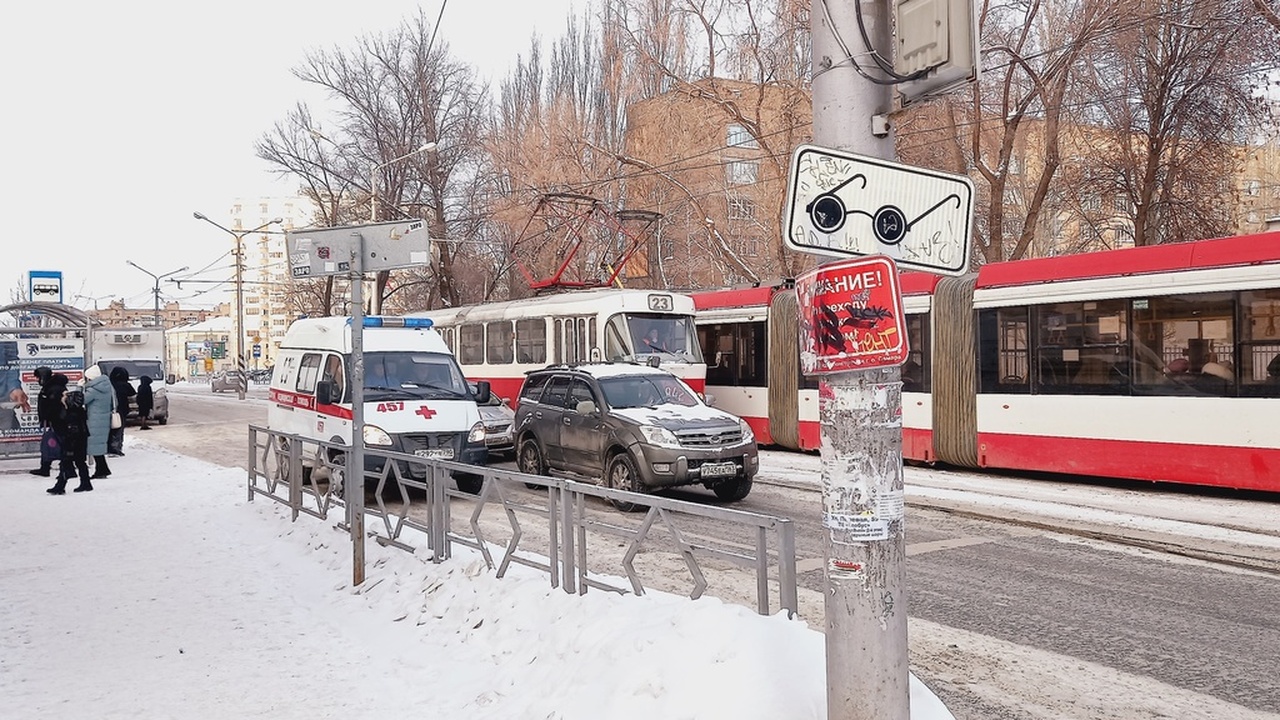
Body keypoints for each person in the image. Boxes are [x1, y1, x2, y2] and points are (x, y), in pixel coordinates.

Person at [48, 389, 92, 494]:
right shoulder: (80, 412)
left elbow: (72, 431)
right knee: (80, 462)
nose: (62, 399)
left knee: (65, 462)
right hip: (81, 439)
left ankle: (60, 486)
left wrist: (69, 446)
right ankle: (86, 483)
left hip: (73, 441)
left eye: (65, 397)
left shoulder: (71, 415)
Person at [29, 367, 69, 478]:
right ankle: (46, 467)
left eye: (37, 377)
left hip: (56, 420)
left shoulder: (53, 388)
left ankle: (61, 468)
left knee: (58, 443)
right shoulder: (50, 387)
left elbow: (54, 405)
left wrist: (48, 416)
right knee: (50, 443)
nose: (36, 380)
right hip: (54, 420)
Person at [82, 365, 114, 479]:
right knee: (98, 445)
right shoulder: (108, 386)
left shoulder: (93, 390)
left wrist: (79, 387)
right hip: (104, 418)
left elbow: (82, 399)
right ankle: (102, 469)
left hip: (94, 420)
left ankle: (101, 470)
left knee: (94, 445)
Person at [108, 366, 134, 454]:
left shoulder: (110, 384)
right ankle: (117, 447)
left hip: (110, 409)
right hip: (122, 409)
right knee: (119, 428)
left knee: (110, 429)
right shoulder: (125, 385)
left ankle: (109, 447)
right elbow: (132, 393)